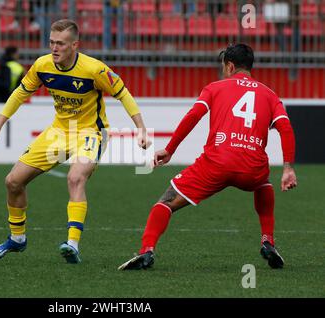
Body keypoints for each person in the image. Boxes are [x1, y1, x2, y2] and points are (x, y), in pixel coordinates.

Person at [0, 19, 151, 264]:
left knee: (75, 178)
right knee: (13, 181)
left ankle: (72, 244)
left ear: (75, 45)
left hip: (91, 132)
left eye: (61, 44)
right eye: (51, 43)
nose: (54, 48)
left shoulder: (94, 69)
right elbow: (19, 94)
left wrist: (140, 128)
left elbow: (123, 94)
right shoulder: (42, 66)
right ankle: (17, 239)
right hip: (58, 132)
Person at [118, 43, 297, 271]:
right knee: (263, 183)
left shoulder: (215, 88)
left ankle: (146, 251)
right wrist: (288, 167)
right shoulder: (270, 95)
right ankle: (267, 241)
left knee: (166, 202)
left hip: (217, 163)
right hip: (252, 167)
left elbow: (193, 116)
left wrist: (170, 149)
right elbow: (286, 128)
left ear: (230, 66)